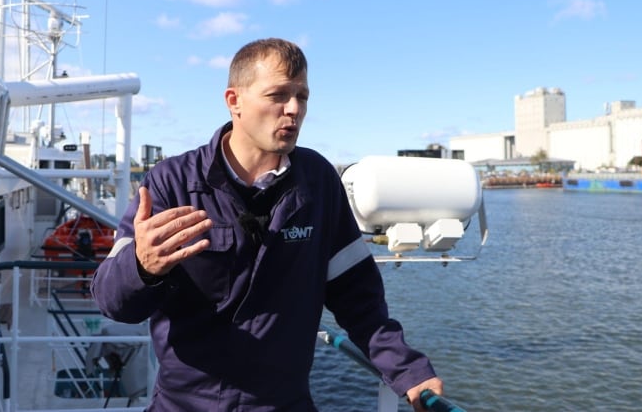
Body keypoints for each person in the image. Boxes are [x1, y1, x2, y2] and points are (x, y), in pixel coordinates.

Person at [91, 37, 443, 411]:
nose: (293, 109)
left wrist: (406, 370)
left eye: (302, 96)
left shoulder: (318, 183)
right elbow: (113, 302)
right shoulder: (171, 183)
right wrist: (141, 267)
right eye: (278, 95)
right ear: (234, 101)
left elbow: (357, 296)